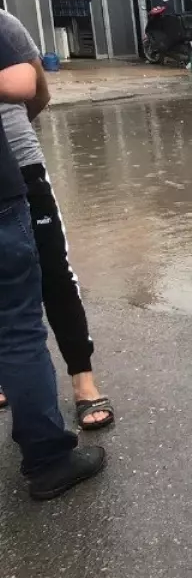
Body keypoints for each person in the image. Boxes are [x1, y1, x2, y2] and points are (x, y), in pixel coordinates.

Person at [0, 39, 106, 500]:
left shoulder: (4, 24)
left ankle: (84, 381)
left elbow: (34, 86)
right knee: (18, 321)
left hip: (19, 169)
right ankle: (42, 444)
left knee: (54, 278)